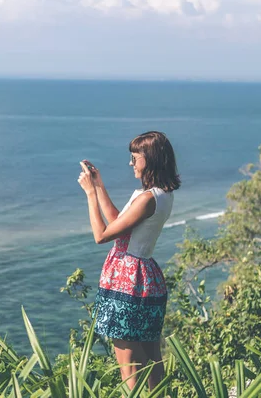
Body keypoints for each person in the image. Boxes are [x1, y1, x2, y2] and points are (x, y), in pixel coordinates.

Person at [77, 131, 180, 390]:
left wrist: (90, 194)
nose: (131, 164)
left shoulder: (146, 199)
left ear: (151, 159)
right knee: (152, 361)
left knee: (129, 368)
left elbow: (102, 235)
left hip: (127, 281)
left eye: (135, 158)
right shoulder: (159, 195)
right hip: (147, 278)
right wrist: (99, 185)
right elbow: (118, 224)